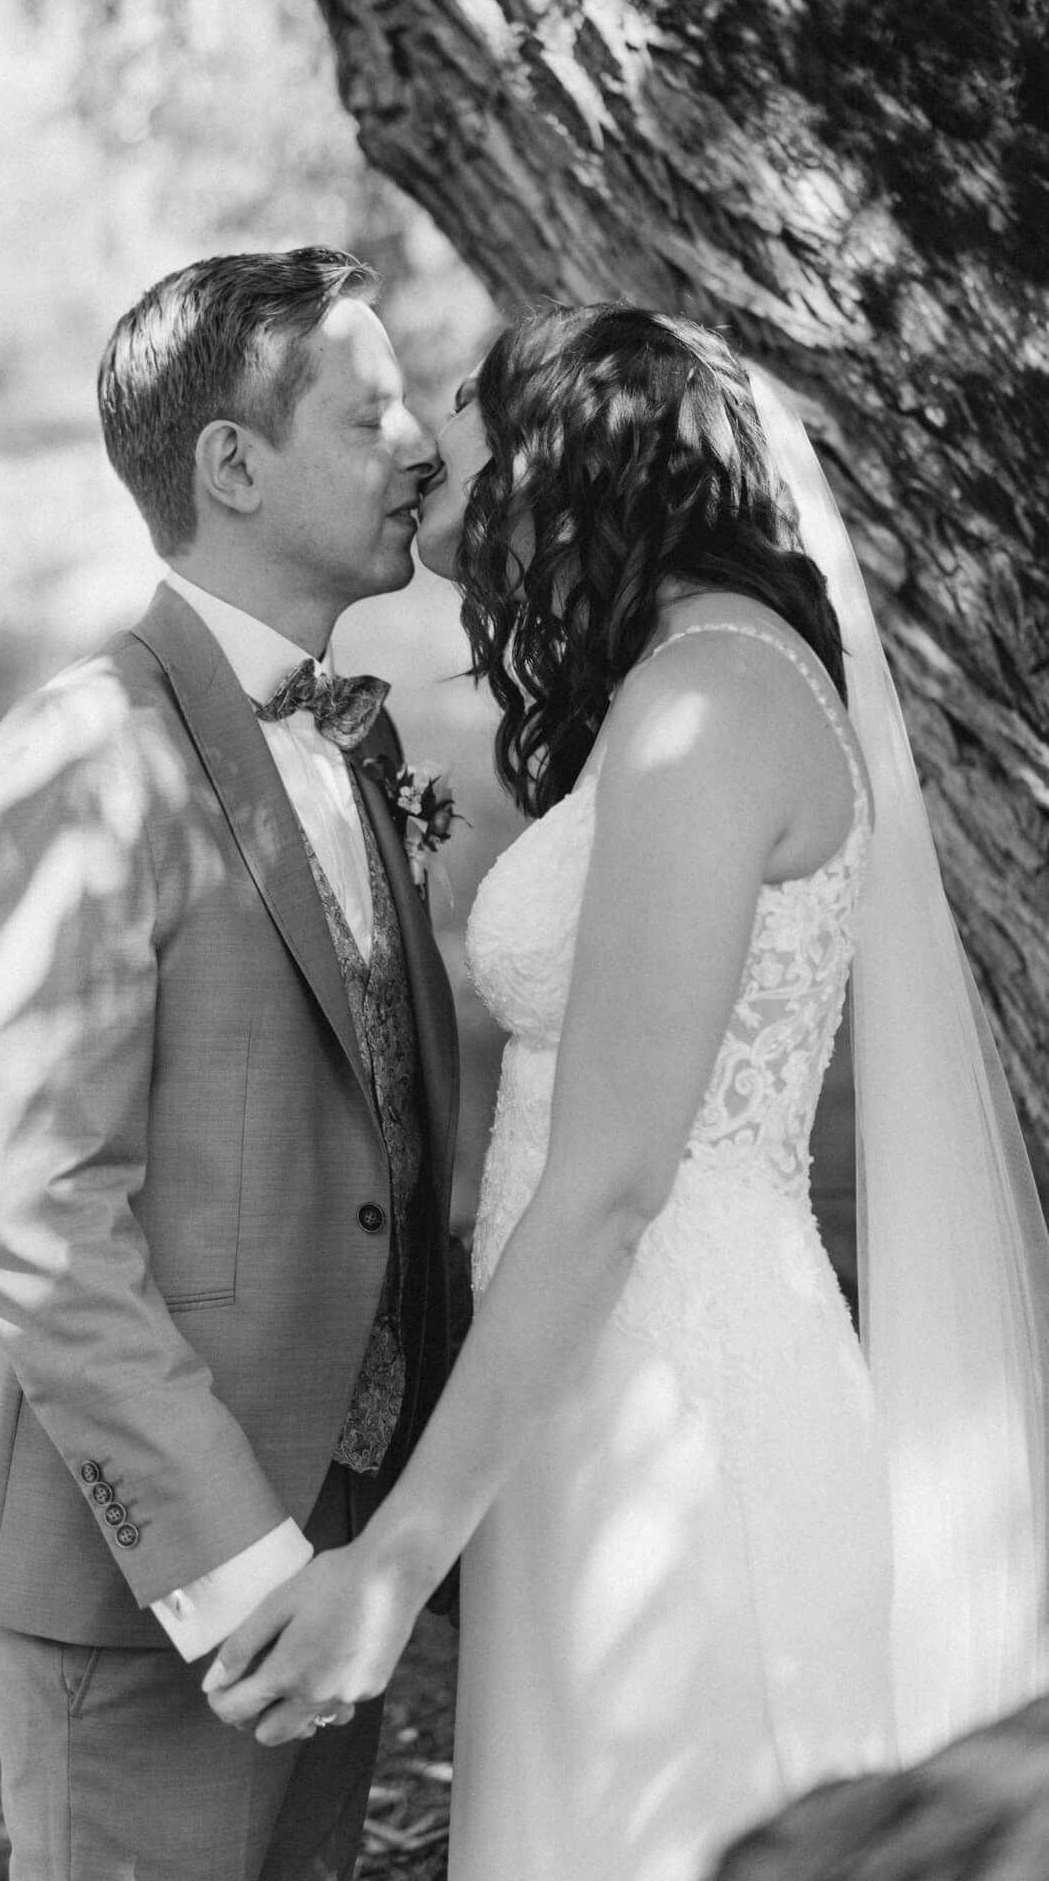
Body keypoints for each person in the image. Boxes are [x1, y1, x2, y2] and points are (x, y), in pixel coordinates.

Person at [203, 306, 1049, 1880]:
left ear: (564, 460)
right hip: (587, 1385)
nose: (426, 451)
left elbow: (607, 1183)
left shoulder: (712, 701)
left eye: (466, 419)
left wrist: (394, 1562)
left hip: (677, 1393)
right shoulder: (680, 681)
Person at [0, 245, 460, 1881]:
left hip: (335, 1550)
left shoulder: (349, 742)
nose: (423, 441)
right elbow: (39, 1215)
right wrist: (238, 1569)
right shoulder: (87, 755)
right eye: (369, 417)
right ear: (230, 463)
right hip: (170, 1589)